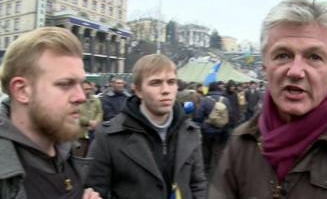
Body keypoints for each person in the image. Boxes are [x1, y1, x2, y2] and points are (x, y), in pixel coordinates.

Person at [208, 0, 327, 199]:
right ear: (265, 68)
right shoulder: (240, 145)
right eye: (283, 55)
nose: (296, 71)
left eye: (314, 57)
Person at [86, 54, 207, 199]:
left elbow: (197, 184)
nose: (166, 90)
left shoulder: (190, 132)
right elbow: (93, 190)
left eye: (171, 82)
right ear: (138, 91)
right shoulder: (109, 136)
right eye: (155, 83)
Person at [0, 27, 101, 199]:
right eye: (65, 84)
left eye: (81, 84)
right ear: (22, 91)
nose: (81, 97)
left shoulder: (67, 152)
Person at [194, 81, 233, 179]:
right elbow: (231, 115)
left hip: (208, 131)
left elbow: (198, 116)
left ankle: (206, 173)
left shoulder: (205, 100)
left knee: (206, 151)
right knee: (220, 151)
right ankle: (222, 174)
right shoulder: (225, 100)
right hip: (223, 131)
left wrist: (203, 124)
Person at [73, 80, 103, 157]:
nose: (88, 91)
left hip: (93, 135)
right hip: (79, 135)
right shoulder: (75, 100)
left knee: (90, 158)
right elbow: (75, 115)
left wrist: (96, 122)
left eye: (89, 89)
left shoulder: (96, 100)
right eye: (85, 89)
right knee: (78, 157)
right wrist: (89, 122)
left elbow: (100, 112)